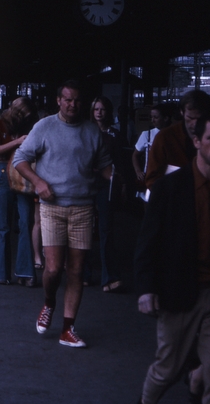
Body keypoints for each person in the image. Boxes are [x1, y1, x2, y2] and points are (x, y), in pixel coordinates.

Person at [12, 80, 112, 348]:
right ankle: (48, 303)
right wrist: (39, 182)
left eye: (77, 100)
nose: (72, 105)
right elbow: (19, 159)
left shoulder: (92, 132)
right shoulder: (44, 127)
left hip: (83, 207)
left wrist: (121, 178)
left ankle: (68, 329)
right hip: (52, 207)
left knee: (77, 271)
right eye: (67, 100)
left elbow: (104, 166)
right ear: (58, 100)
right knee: (54, 268)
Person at [134, 112, 210, 404]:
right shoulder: (171, 187)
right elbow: (148, 242)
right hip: (181, 289)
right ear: (197, 141)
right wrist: (147, 288)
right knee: (167, 369)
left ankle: (201, 381)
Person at [0, 96, 39, 287]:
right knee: (4, 227)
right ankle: (3, 273)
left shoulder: (32, 125)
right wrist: (17, 142)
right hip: (4, 171)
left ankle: (25, 272)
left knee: (26, 222)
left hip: (25, 174)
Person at [84, 96, 127, 292]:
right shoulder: (85, 132)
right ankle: (83, 273)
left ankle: (109, 276)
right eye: (96, 109)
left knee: (106, 229)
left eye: (102, 109)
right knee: (83, 228)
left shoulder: (115, 135)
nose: (99, 112)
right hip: (85, 184)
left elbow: (121, 162)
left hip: (106, 186)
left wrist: (121, 182)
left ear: (108, 112)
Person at [145, 90, 210, 192]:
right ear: (182, 113)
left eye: (200, 119)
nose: (194, 124)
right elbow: (152, 178)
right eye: (190, 118)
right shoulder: (165, 138)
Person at [132, 104, 172, 201]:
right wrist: (138, 171)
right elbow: (135, 155)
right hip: (150, 177)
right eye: (151, 117)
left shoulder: (173, 134)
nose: (152, 120)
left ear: (166, 118)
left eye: (156, 117)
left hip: (168, 179)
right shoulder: (147, 135)